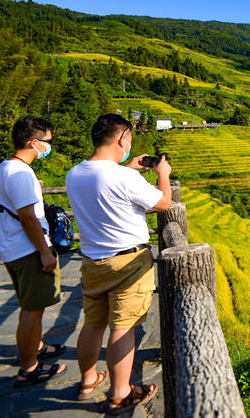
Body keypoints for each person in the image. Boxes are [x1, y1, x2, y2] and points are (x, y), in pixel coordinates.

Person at [66, 114, 171, 411]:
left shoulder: (75, 173)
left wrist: (127, 167)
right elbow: (163, 202)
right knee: (123, 328)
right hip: (128, 263)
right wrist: (162, 173)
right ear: (122, 138)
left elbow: (105, 184)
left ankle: (88, 381)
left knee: (93, 324)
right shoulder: (124, 177)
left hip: (92, 261)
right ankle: (121, 393)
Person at [0, 117, 66, 387]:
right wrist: (45, 251)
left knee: (32, 307)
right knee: (32, 310)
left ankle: (37, 346)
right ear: (34, 142)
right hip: (27, 249)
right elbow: (28, 218)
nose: (49, 146)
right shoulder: (20, 173)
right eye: (47, 142)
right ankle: (29, 368)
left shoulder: (5, 168)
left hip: (13, 247)